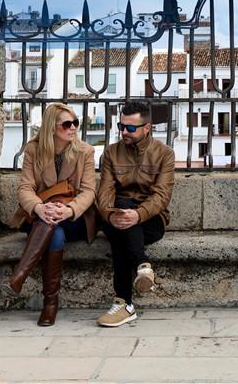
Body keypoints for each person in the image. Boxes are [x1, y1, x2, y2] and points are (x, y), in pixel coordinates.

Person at [3, 103, 97, 327]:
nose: (73, 128)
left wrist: (69, 210)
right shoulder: (34, 150)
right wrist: (38, 208)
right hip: (40, 216)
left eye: (75, 123)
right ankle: (50, 302)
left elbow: (89, 191)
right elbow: (25, 188)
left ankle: (19, 279)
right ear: (51, 128)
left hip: (74, 218)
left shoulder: (85, 151)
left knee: (54, 227)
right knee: (53, 233)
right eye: (66, 124)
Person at [95, 101, 175, 327]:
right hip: (116, 216)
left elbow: (161, 196)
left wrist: (138, 215)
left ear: (147, 128)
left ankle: (124, 303)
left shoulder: (164, 154)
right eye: (121, 126)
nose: (123, 132)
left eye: (130, 128)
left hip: (151, 219)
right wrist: (110, 214)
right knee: (120, 212)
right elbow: (105, 192)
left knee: (121, 234)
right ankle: (142, 266)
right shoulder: (111, 152)